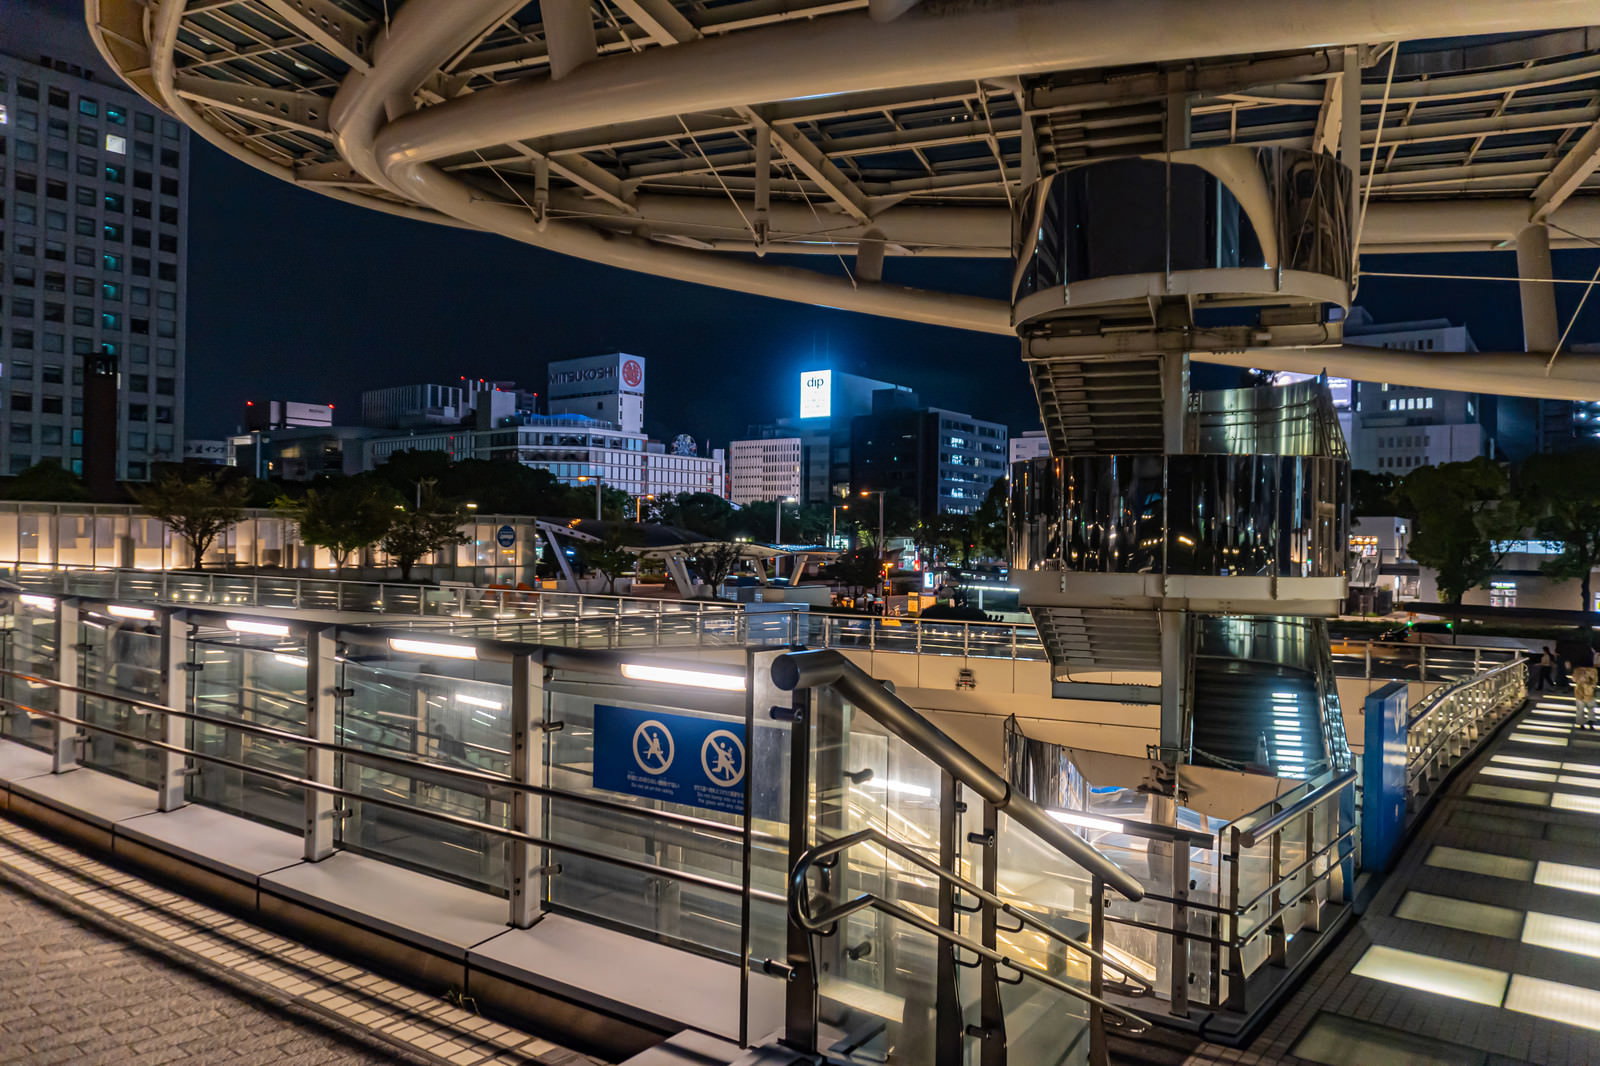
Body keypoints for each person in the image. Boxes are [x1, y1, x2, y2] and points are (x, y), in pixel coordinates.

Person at [1575, 646, 1598, 730]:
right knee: (1591, 709)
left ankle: (1581, 724)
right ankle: (1591, 724)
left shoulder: (1578, 670)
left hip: (1579, 692)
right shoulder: (1593, 670)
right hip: (1590, 692)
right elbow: (1595, 681)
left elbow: (1574, 679)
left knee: (1580, 709)